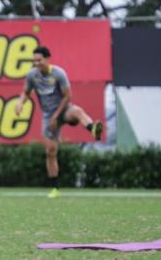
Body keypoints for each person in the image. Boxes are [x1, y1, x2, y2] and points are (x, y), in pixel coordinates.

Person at [15, 46, 103, 198]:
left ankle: (93, 129)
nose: (36, 63)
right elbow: (26, 92)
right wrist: (20, 102)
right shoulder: (32, 75)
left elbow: (68, 97)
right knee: (50, 152)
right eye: (34, 60)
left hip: (63, 110)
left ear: (47, 59)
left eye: (39, 60)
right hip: (48, 117)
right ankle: (55, 189)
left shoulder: (58, 73)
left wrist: (56, 116)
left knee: (77, 111)